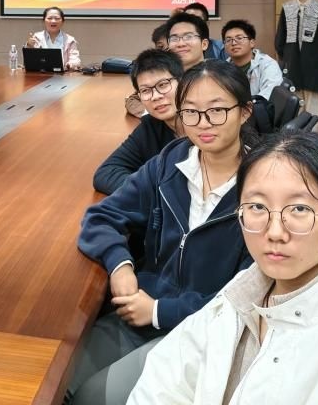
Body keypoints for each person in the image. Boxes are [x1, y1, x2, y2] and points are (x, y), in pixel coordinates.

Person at [128, 131, 318, 405]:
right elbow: (167, 374)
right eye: (257, 207)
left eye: (299, 209)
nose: (275, 232)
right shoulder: (249, 287)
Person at [71, 60, 255, 404]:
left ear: (244, 112)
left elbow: (251, 293)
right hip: (141, 307)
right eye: (191, 112)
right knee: (58, 378)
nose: (203, 123)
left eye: (217, 111)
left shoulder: (263, 188)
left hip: (203, 331)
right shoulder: (170, 163)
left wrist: (159, 311)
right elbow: (101, 216)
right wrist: (120, 265)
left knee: (91, 398)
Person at [94, 49, 184, 194]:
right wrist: (155, 193)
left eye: (163, 85)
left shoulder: (208, 125)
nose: (155, 96)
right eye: (146, 90)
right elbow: (106, 173)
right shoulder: (151, 126)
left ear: (183, 82)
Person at [222, 19, 284, 100]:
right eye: (228, 40)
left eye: (239, 38)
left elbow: (268, 97)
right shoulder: (222, 68)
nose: (233, 43)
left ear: (252, 43)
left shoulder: (268, 65)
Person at [125, 24, 174, 119]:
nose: (166, 51)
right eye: (160, 47)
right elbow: (132, 100)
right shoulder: (159, 71)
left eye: (170, 45)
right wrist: (152, 112)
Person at [25, 6, 81, 71]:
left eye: (57, 18)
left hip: (63, 75)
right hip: (41, 74)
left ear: (62, 21)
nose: (53, 21)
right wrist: (29, 46)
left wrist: (69, 65)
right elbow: (29, 60)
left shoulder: (70, 40)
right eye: (49, 18)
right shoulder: (37, 37)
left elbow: (76, 60)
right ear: (44, 21)